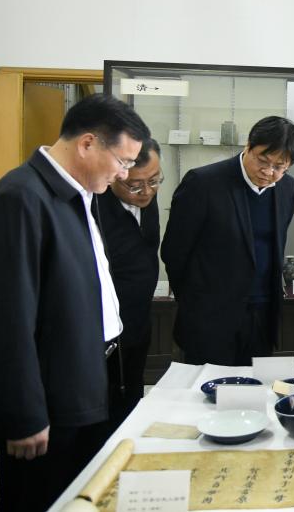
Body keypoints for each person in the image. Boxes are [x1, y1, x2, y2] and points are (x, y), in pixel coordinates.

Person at [0, 94, 149, 512]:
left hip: (85, 379)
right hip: (48, 401)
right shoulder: (19, 199)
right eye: (123, 161)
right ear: (88, 143)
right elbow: (3, 320)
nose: (124, 174)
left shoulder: (79, 193)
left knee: (83, 495)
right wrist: (23, 415)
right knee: (40, 497)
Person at [162, 116, 294, 366]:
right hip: (210, 315)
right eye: (262, 161)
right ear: (248, 146)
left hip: (262, 313)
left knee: (255, 384)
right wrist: (195, 302)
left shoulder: (288, 188)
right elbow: (174, 251)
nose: (268, 172)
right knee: (209, 386)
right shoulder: (203, 183)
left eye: (279, 167)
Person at [98, 137, 163, 426]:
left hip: (139, 318)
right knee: (105, 408)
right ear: (115, 174)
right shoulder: (92, 208)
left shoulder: (146, 196)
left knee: (132, 398)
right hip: (103, 331)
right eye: (135, 185)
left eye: (155, 180)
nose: (146, 191)